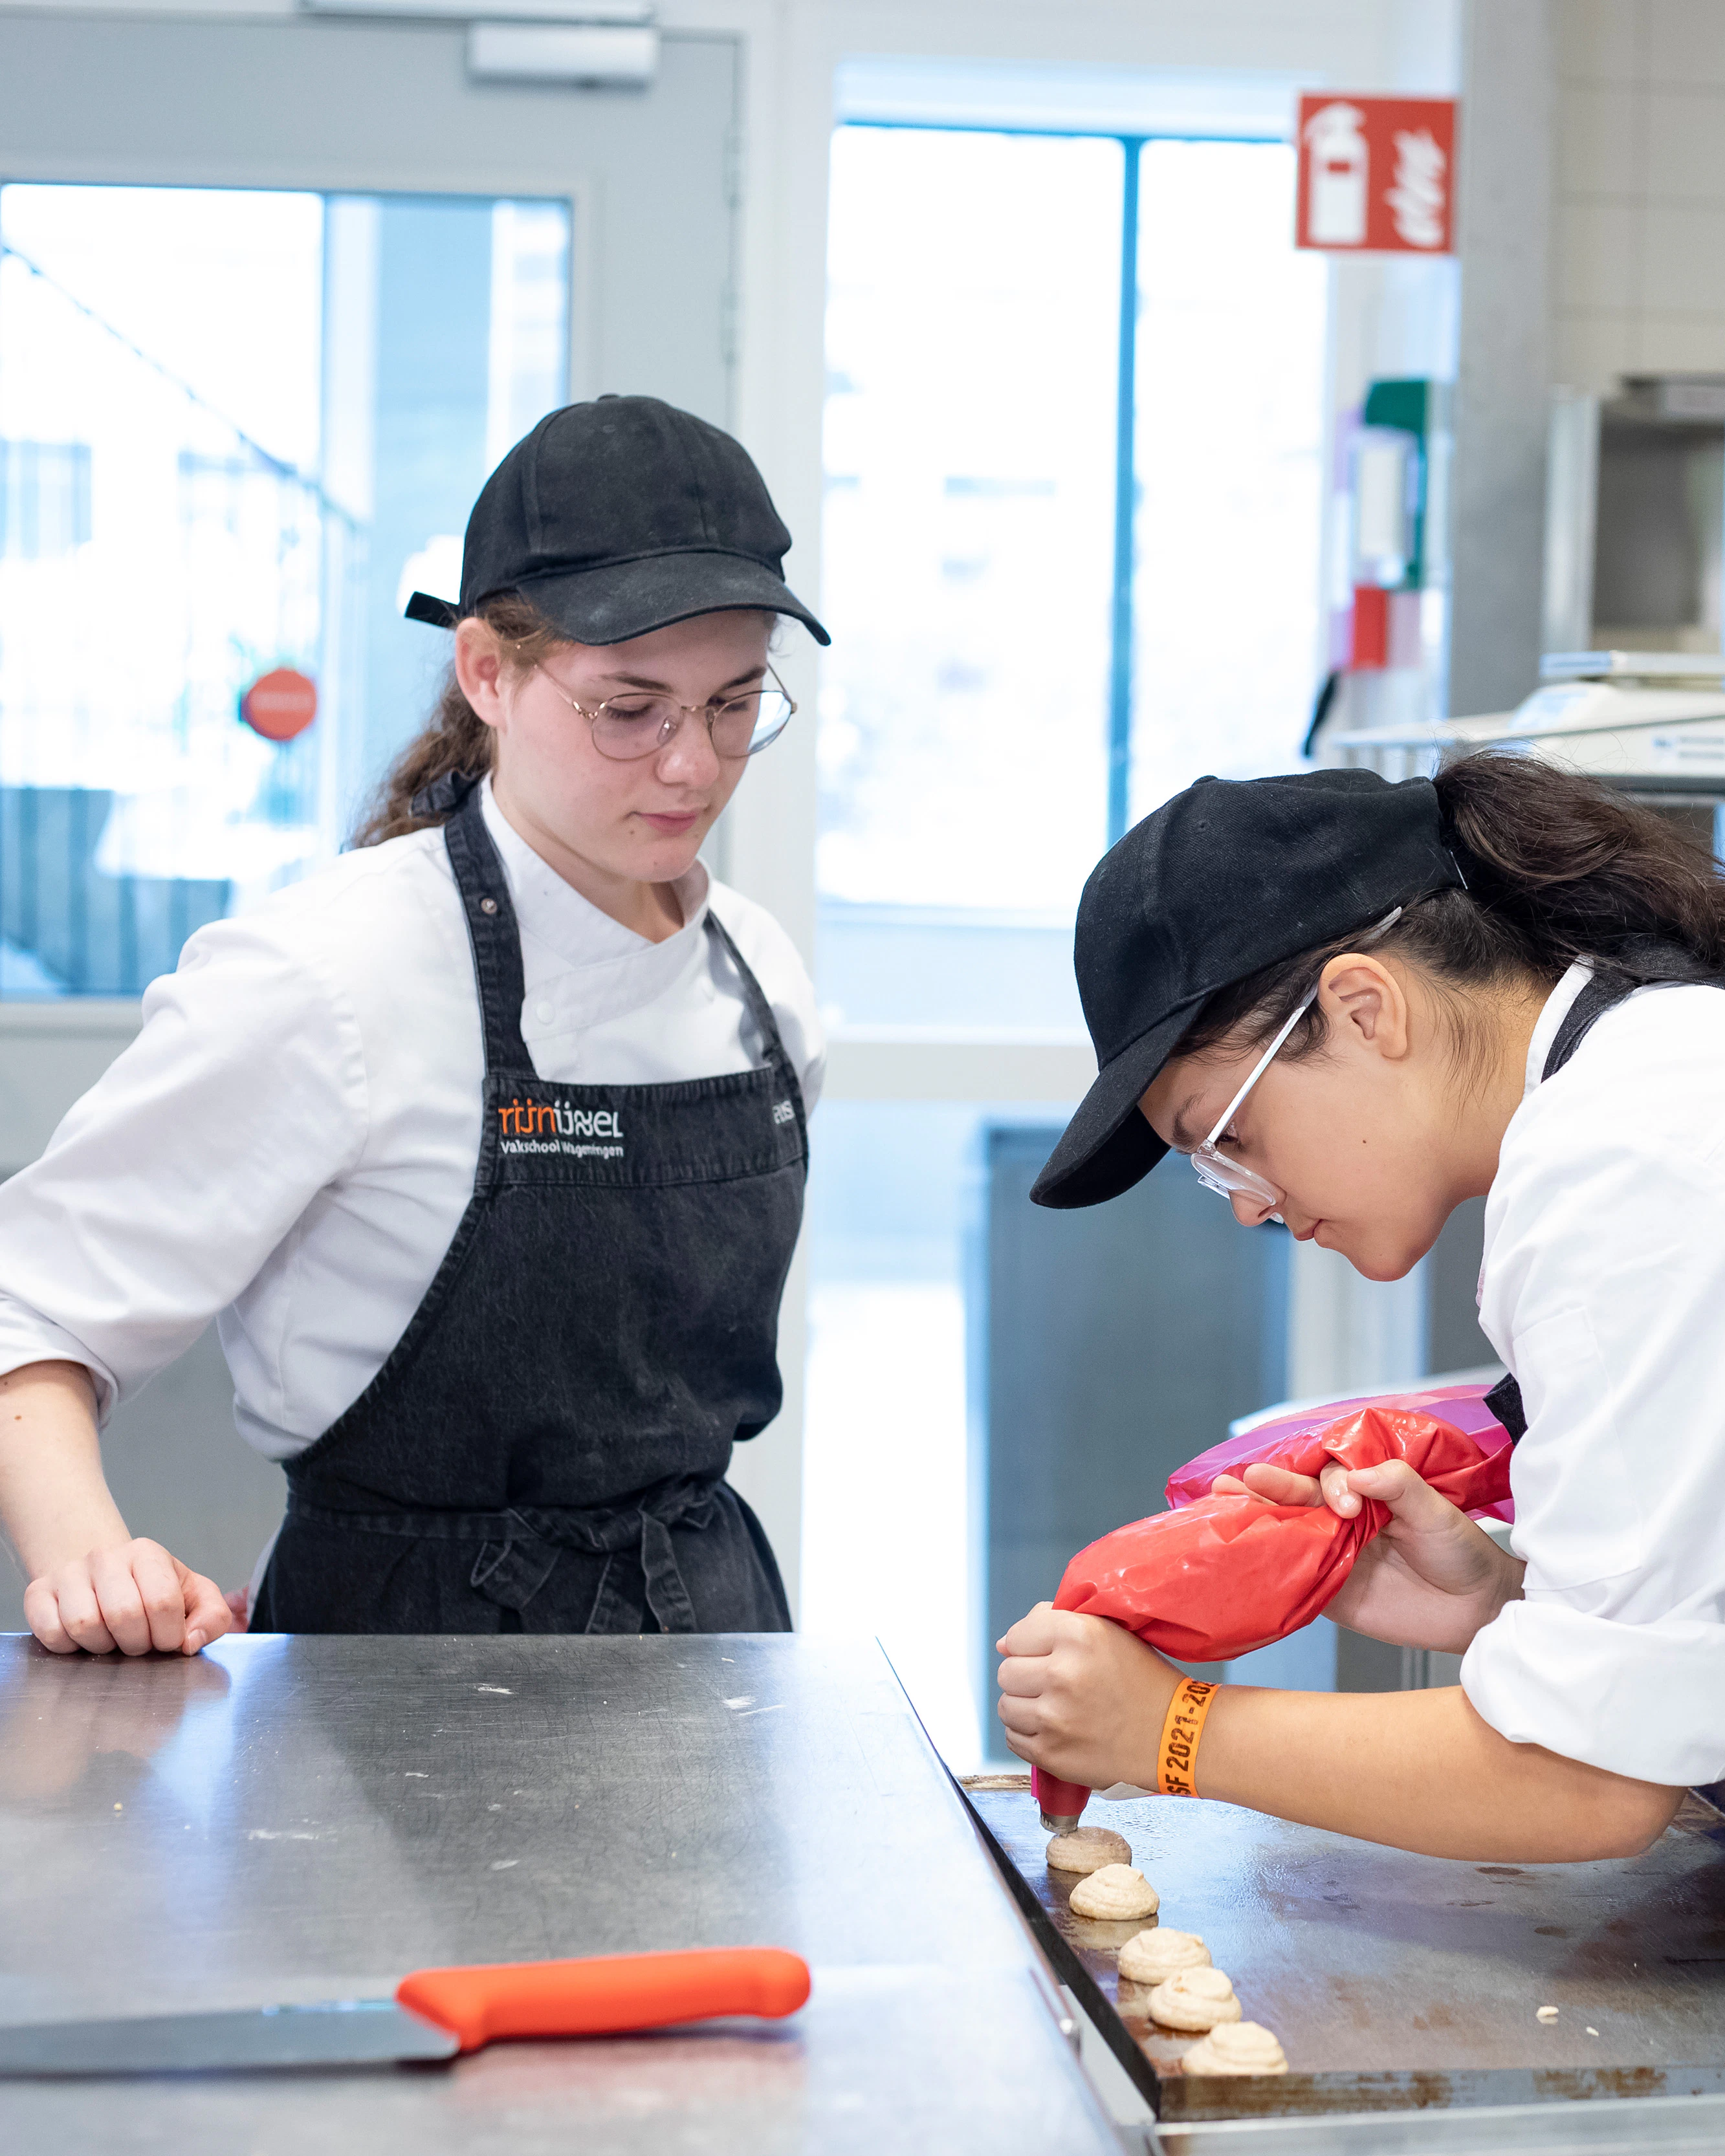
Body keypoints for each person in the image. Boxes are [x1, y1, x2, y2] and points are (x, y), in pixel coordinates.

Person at [0, 394, 826, 1651]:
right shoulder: (327, 975)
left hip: (704, 1652)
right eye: (630, 707)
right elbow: (32, 1305)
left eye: (732, 703)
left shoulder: (757, 977)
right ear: (488, 671)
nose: (692, 766)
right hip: (390, 1675)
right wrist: (87, 1558)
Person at [997, 754, 1724, 1860]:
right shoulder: (1651, 1086)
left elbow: (1585, 1784)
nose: (1244, 1209)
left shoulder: (1622, 1167)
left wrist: (1165, 1728)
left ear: (1361, 1006)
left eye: (1225, 1140)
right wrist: (1505, 1602)